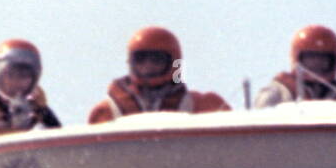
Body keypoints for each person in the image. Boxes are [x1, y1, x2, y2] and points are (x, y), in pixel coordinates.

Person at [88, 26, 230, 123]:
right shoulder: (107, 112)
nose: (147, 66)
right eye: (140, 60)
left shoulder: (204, 106)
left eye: (156, 60)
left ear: (174, 63)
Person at [254, 25, 336, 107]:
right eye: (311, 58)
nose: (317, 63)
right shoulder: (278, 93)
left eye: (323, 59)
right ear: (298, 58)